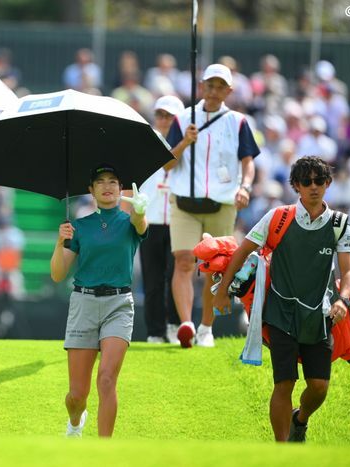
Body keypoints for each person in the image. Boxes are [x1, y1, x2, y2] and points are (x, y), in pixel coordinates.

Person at [212, 156, 350, 442]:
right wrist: (222, 290)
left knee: (319, 386)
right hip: (280, 313)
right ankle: (282, 452)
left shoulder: (340, 224)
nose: (313, 186)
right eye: (306, 181)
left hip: (320, 315)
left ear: (328, 184)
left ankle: (299, 420)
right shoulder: (279, 217)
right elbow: (242, 251)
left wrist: (344, 299)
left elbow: (348, 271)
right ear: (296, 187)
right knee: (284, 383)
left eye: (319, 181)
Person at [50, 163, 148, 438]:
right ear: (91, 190)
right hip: (84, 303)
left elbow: (141, 225)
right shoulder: (79, 226)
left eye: (113, 181)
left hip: (119, 305)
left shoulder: (130, 221)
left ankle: (103, 452)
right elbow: (58, 274)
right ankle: (74, 422)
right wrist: (60, 242)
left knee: (106, 380)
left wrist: (140, 211)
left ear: (121, 189)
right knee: (76, 395)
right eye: (101, 182)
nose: (108, 186)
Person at [165, 63, 259, 348]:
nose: (215, 91)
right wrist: (185, 142)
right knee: (183, 261)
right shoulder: (183, 119)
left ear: (229, 91)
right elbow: (168, 162)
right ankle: (186, 324)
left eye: (221, 86)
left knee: (215, 268)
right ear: (201, 86)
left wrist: (245, 187)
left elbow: (248, 162)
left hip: (222, 202)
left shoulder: (238, 122)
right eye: (210, 85)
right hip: (184, 200)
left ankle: (206, 327)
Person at [140, 95, 184, 344]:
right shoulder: (146, 142)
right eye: (160, 115)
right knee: (153, 279)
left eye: (169, 116)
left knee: (176, 275)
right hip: (151, 218)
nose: (164, 120)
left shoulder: (187, 143)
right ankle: (155, 330)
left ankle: (175, 325)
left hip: (180, 218)